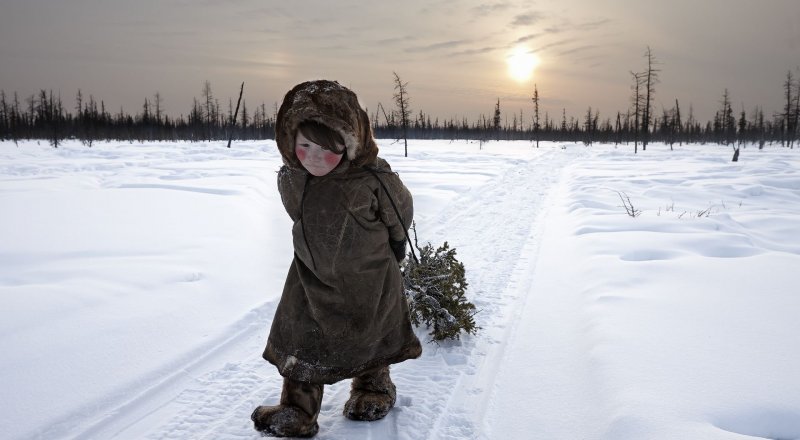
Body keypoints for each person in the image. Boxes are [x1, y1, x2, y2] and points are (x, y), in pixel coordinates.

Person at [251, 80, 422, 437]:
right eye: (305, 145)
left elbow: (400, 215)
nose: (314, 157)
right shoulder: (293, 178)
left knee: (368, 334)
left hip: (368, 276)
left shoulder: (374, 178)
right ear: (289, 141)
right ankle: (298, 411)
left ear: (351, 143)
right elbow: (300, 216)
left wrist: (394, 250)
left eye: (328, 148)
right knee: (303, 338)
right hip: (310, 278)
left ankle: (373, 388)